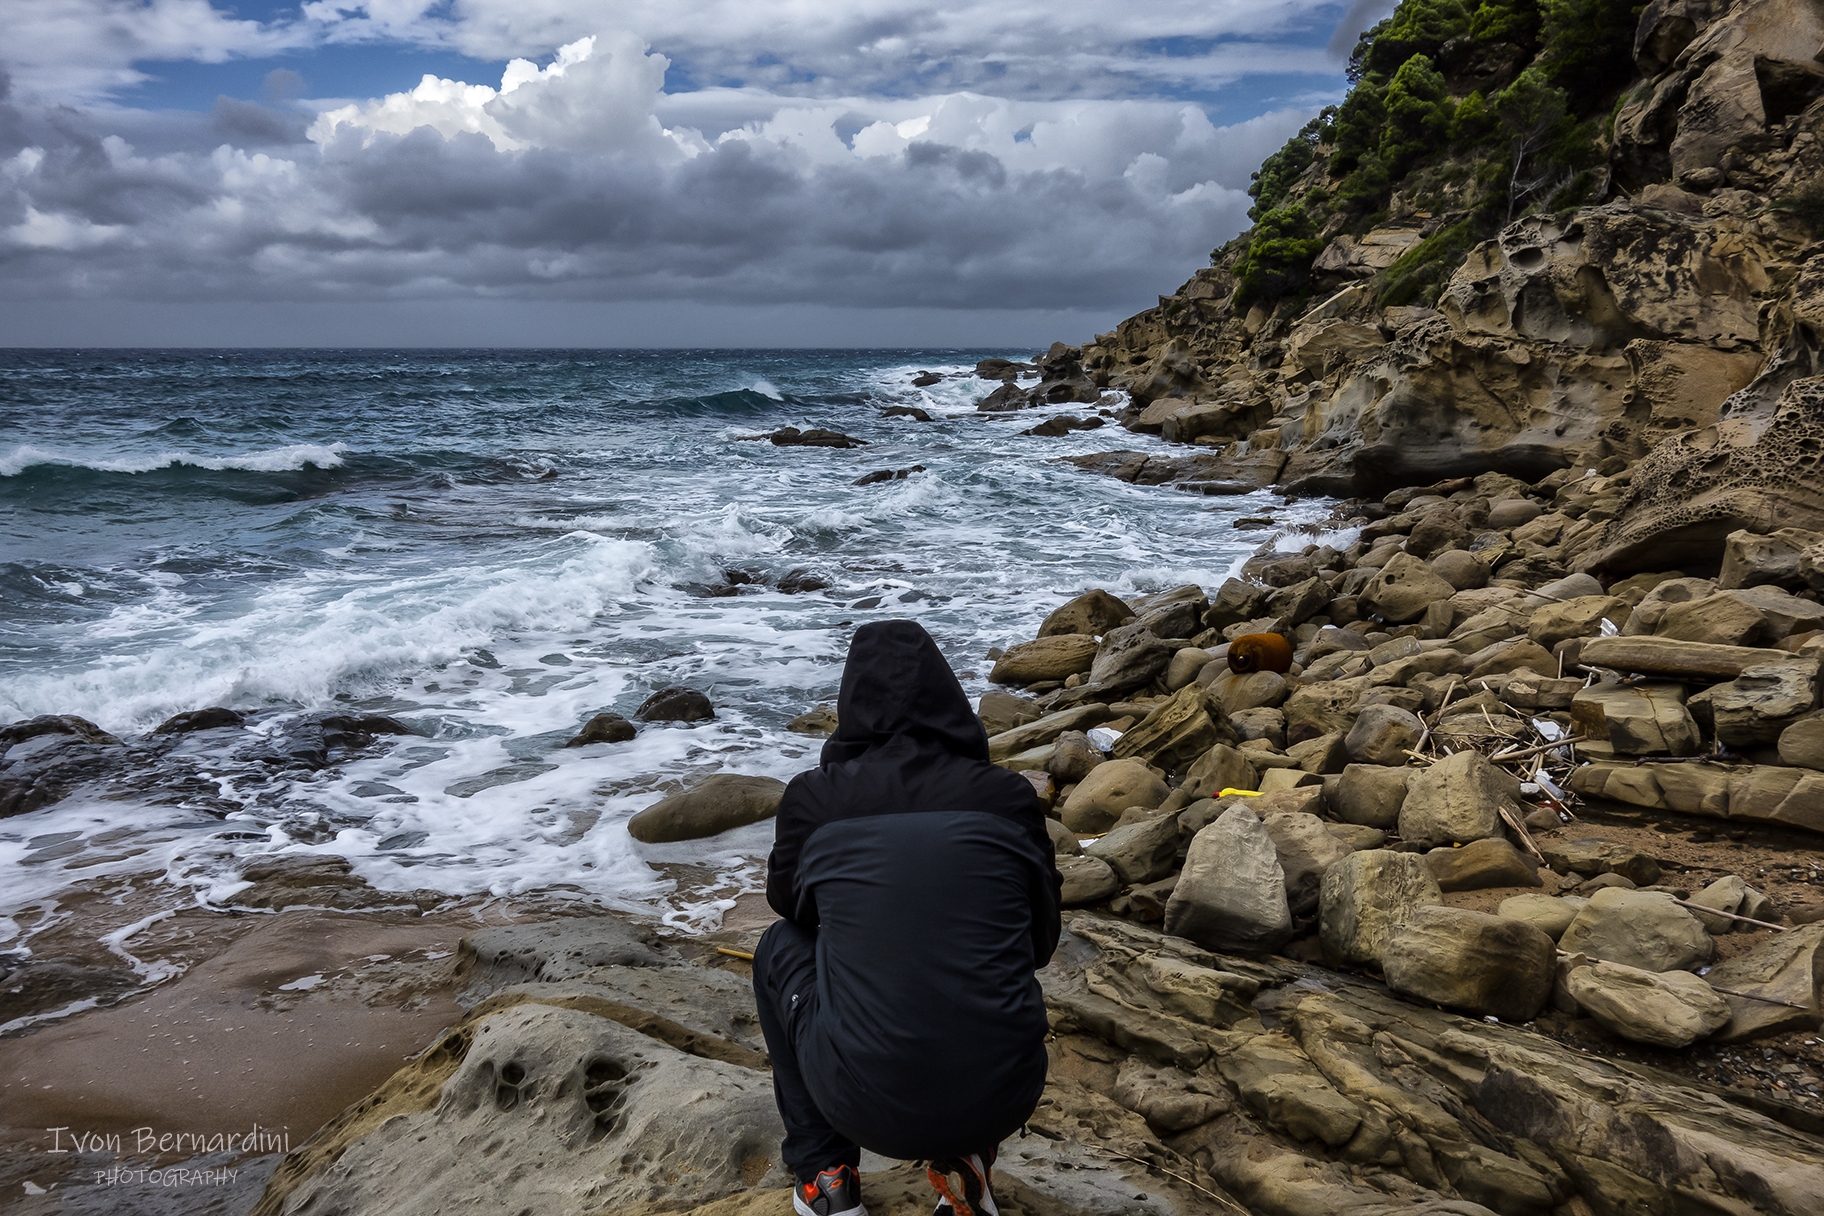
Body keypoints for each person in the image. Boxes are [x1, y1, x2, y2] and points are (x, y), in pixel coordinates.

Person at [752, 620, 1063, 1216]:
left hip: (862, 1105)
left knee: (779, 946)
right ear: (950, 700)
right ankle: (966, 1165)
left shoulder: (815, 799)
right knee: (979, 939)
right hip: (1005, 1094)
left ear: (850, 704)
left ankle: (827, 1175)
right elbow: (1039, 943)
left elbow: (790, 907)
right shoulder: (1007, 796)